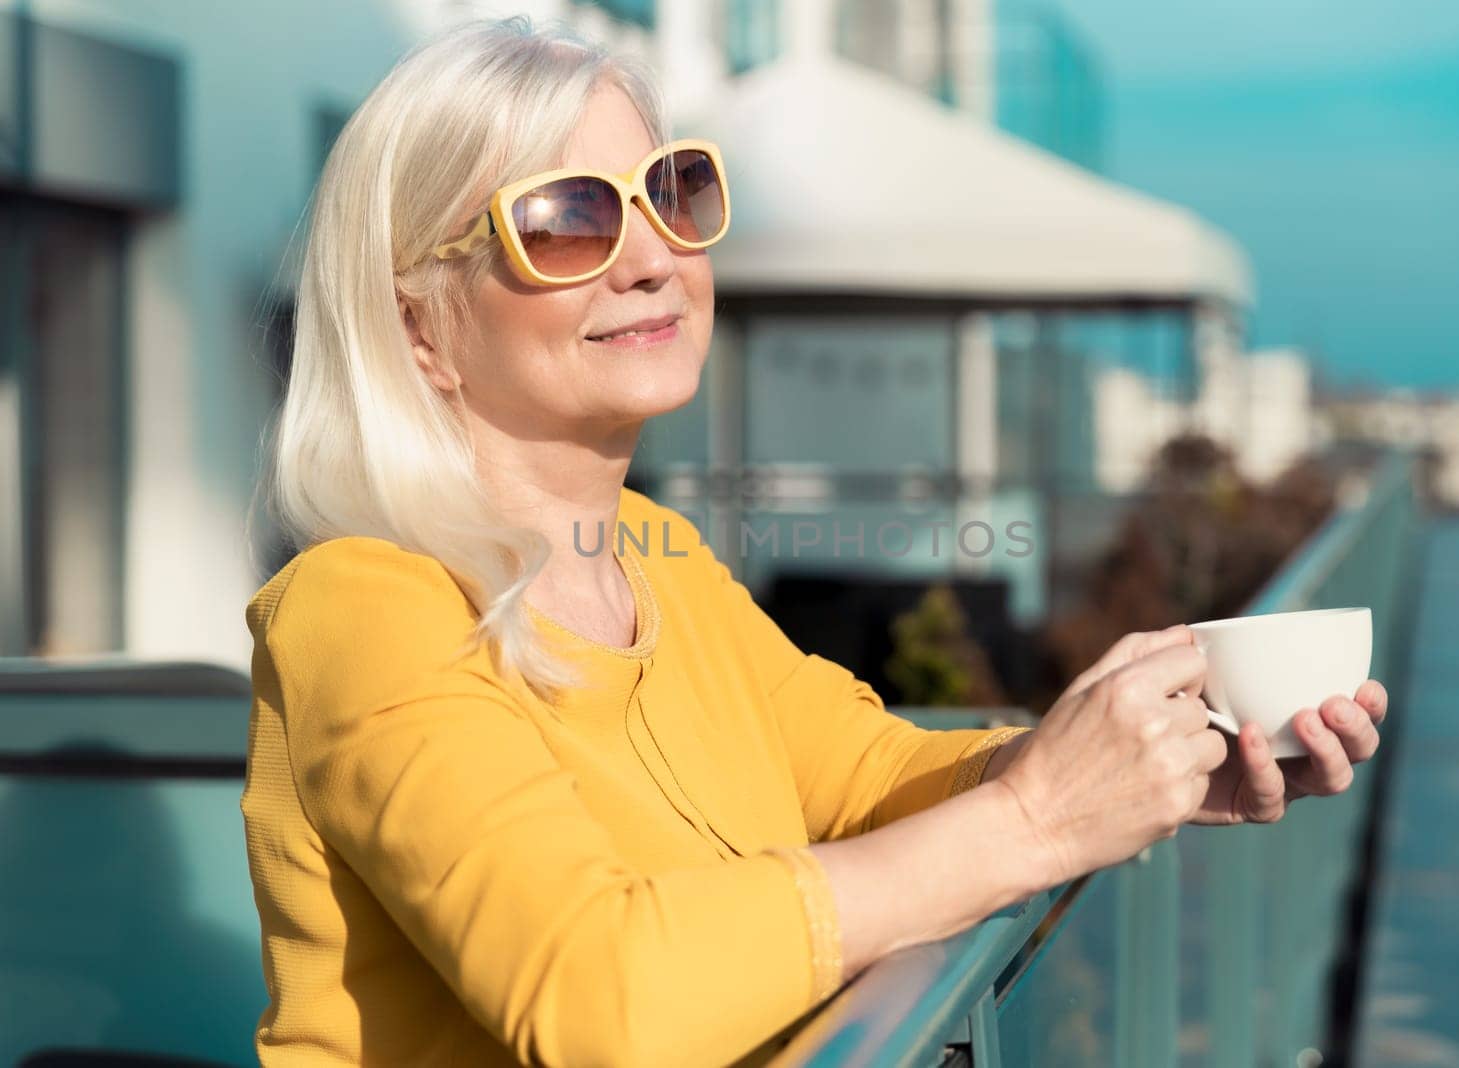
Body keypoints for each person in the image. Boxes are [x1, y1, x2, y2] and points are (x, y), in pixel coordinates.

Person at [241, 18, 1387, 1068]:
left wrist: (1139, 756)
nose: (649, 257)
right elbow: (598, 999)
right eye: (568, 219)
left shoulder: (646, 550)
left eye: (668, 193)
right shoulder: (364, 606)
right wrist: (1034, 822)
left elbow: (860, 772)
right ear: (419, 327)